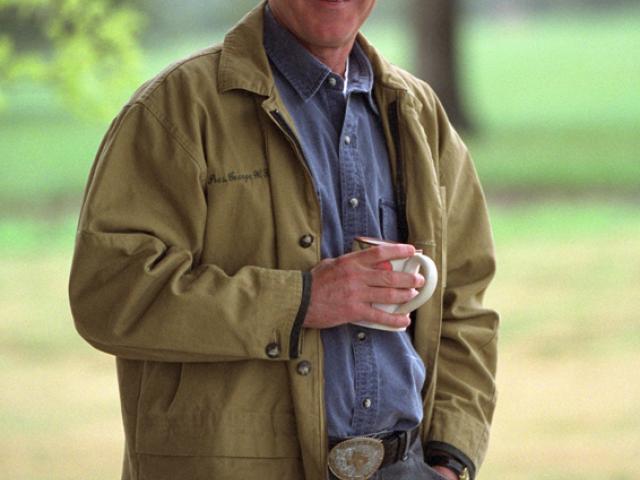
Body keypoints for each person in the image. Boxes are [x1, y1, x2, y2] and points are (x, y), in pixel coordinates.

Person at [69, 1, 498, 479]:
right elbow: (109, 295)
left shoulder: (420, 115)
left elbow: (465, 304)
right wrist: (302, 301)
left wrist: (449, 458)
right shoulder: (175, 109)